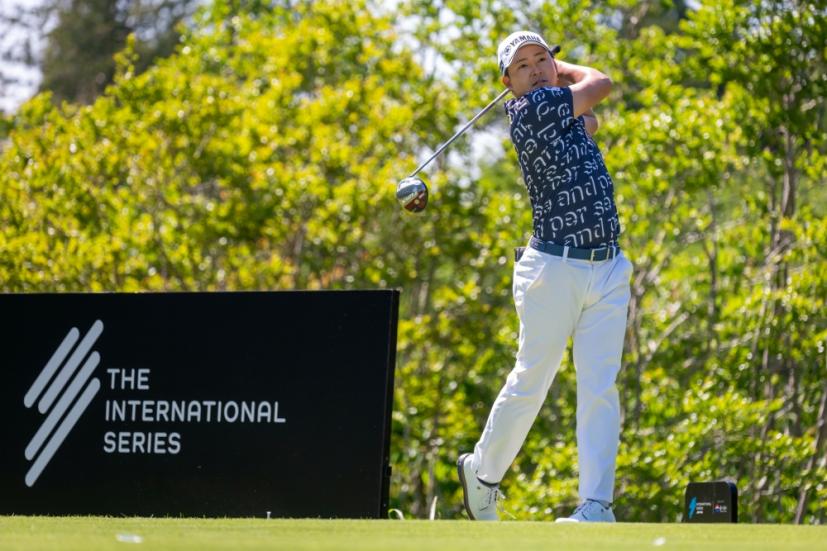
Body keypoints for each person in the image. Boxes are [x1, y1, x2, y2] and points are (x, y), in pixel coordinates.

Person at [457, 30, 633, 523]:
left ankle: (597, 504)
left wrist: (557, 79)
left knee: (600, 388)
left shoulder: (561, 109)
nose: (535, 69)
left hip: (608, 266)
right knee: (533, 379)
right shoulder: (532, 110)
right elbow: (600, 84)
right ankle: (483, 472)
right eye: (522, 65)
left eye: (541, 59)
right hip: (554, 269)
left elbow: (589, 119)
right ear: (507, 83)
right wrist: (563, 69)